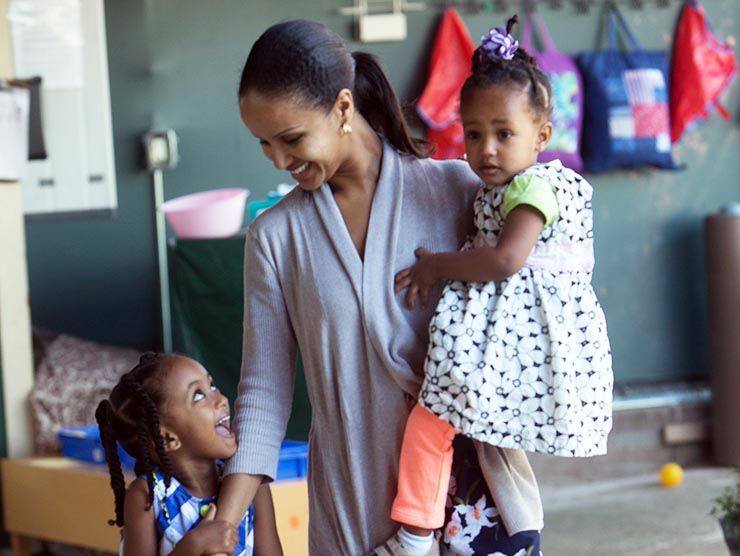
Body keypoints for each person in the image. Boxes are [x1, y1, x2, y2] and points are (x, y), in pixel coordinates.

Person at [215, 18, 544, 556]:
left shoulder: (459, 191)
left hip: (476, 509)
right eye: (264, 144)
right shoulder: (275, 237)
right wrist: (225, 522)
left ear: (344, 108)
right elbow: (264, 394)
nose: (278, 160)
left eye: (292, 138)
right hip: (352, 512)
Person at [386, 15, 614, 555]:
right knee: (464, 434)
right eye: (473, 133)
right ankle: (513, 530)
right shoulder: (499, 188)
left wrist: (436, 265)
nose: (485, 149)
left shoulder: (536, 186)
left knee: (432, 418)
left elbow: (507, 260)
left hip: (517, 348)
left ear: (542, 135)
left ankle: (415, 535)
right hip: (508, 344)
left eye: (504, 133)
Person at [95, 353, 282, 556]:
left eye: (212, 386)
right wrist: (193, 545)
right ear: (167, 439)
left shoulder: (250, 483)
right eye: (199, 395)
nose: (221, 399)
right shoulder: (148, 497)